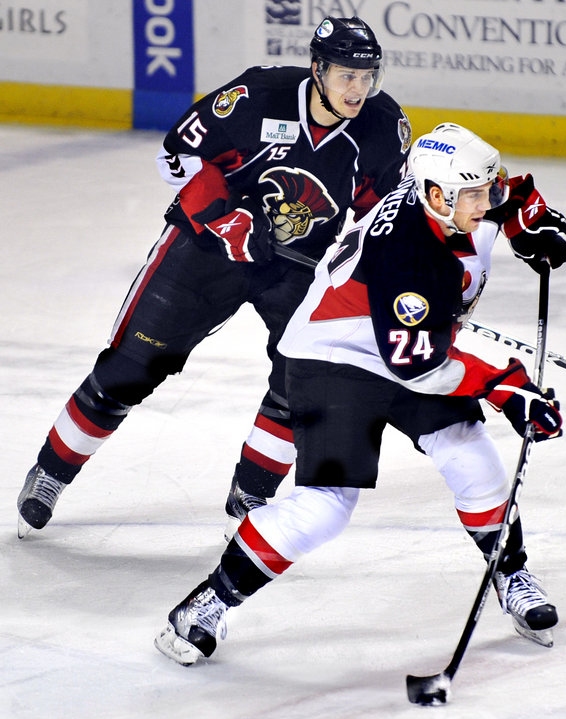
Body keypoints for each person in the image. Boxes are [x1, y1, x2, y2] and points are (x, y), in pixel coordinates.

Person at [154, 123, 566, 667]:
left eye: (483, 190)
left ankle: (511, 574)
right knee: (325, 509)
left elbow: (507, 192)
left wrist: (530, 220)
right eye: (474, 194)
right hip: (335, 359)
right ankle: (207, 603)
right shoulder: (410, 255)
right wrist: (504, 386)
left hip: (402, 343)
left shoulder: (450, 196)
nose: (486, 200)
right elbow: (420, 365)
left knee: (470, 453)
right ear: (437, 196)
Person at [16, 17, 411, 539]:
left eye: (367, 77)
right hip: (205, 249)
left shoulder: (384, 127)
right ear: (318, 69)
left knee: (304, 377)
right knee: (133, 365)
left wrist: (371, 267)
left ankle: (252, 495)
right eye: (345, 76)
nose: (358, 89)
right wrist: (225, 218)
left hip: (299, 265)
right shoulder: (256, 96)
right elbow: (175, 156)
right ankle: (51, 472)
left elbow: (382, 213)